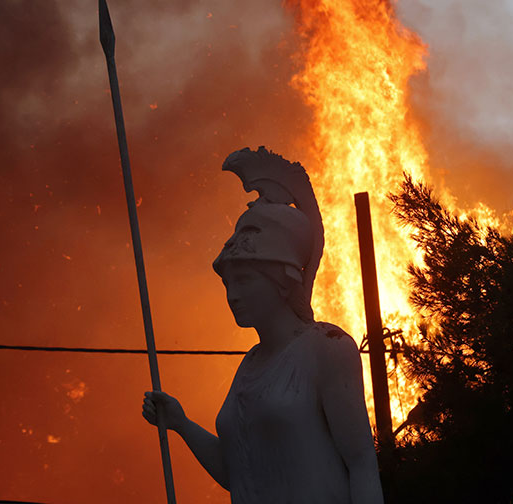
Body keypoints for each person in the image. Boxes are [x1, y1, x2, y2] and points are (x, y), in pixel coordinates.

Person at [142, 147, 384, 504]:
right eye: (228, 284)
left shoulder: (327, 347)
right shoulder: (249, 366)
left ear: (281, 280)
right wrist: (180, 424)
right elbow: (235, 472)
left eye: (244, 281)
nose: (232, 295)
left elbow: (362, 463)